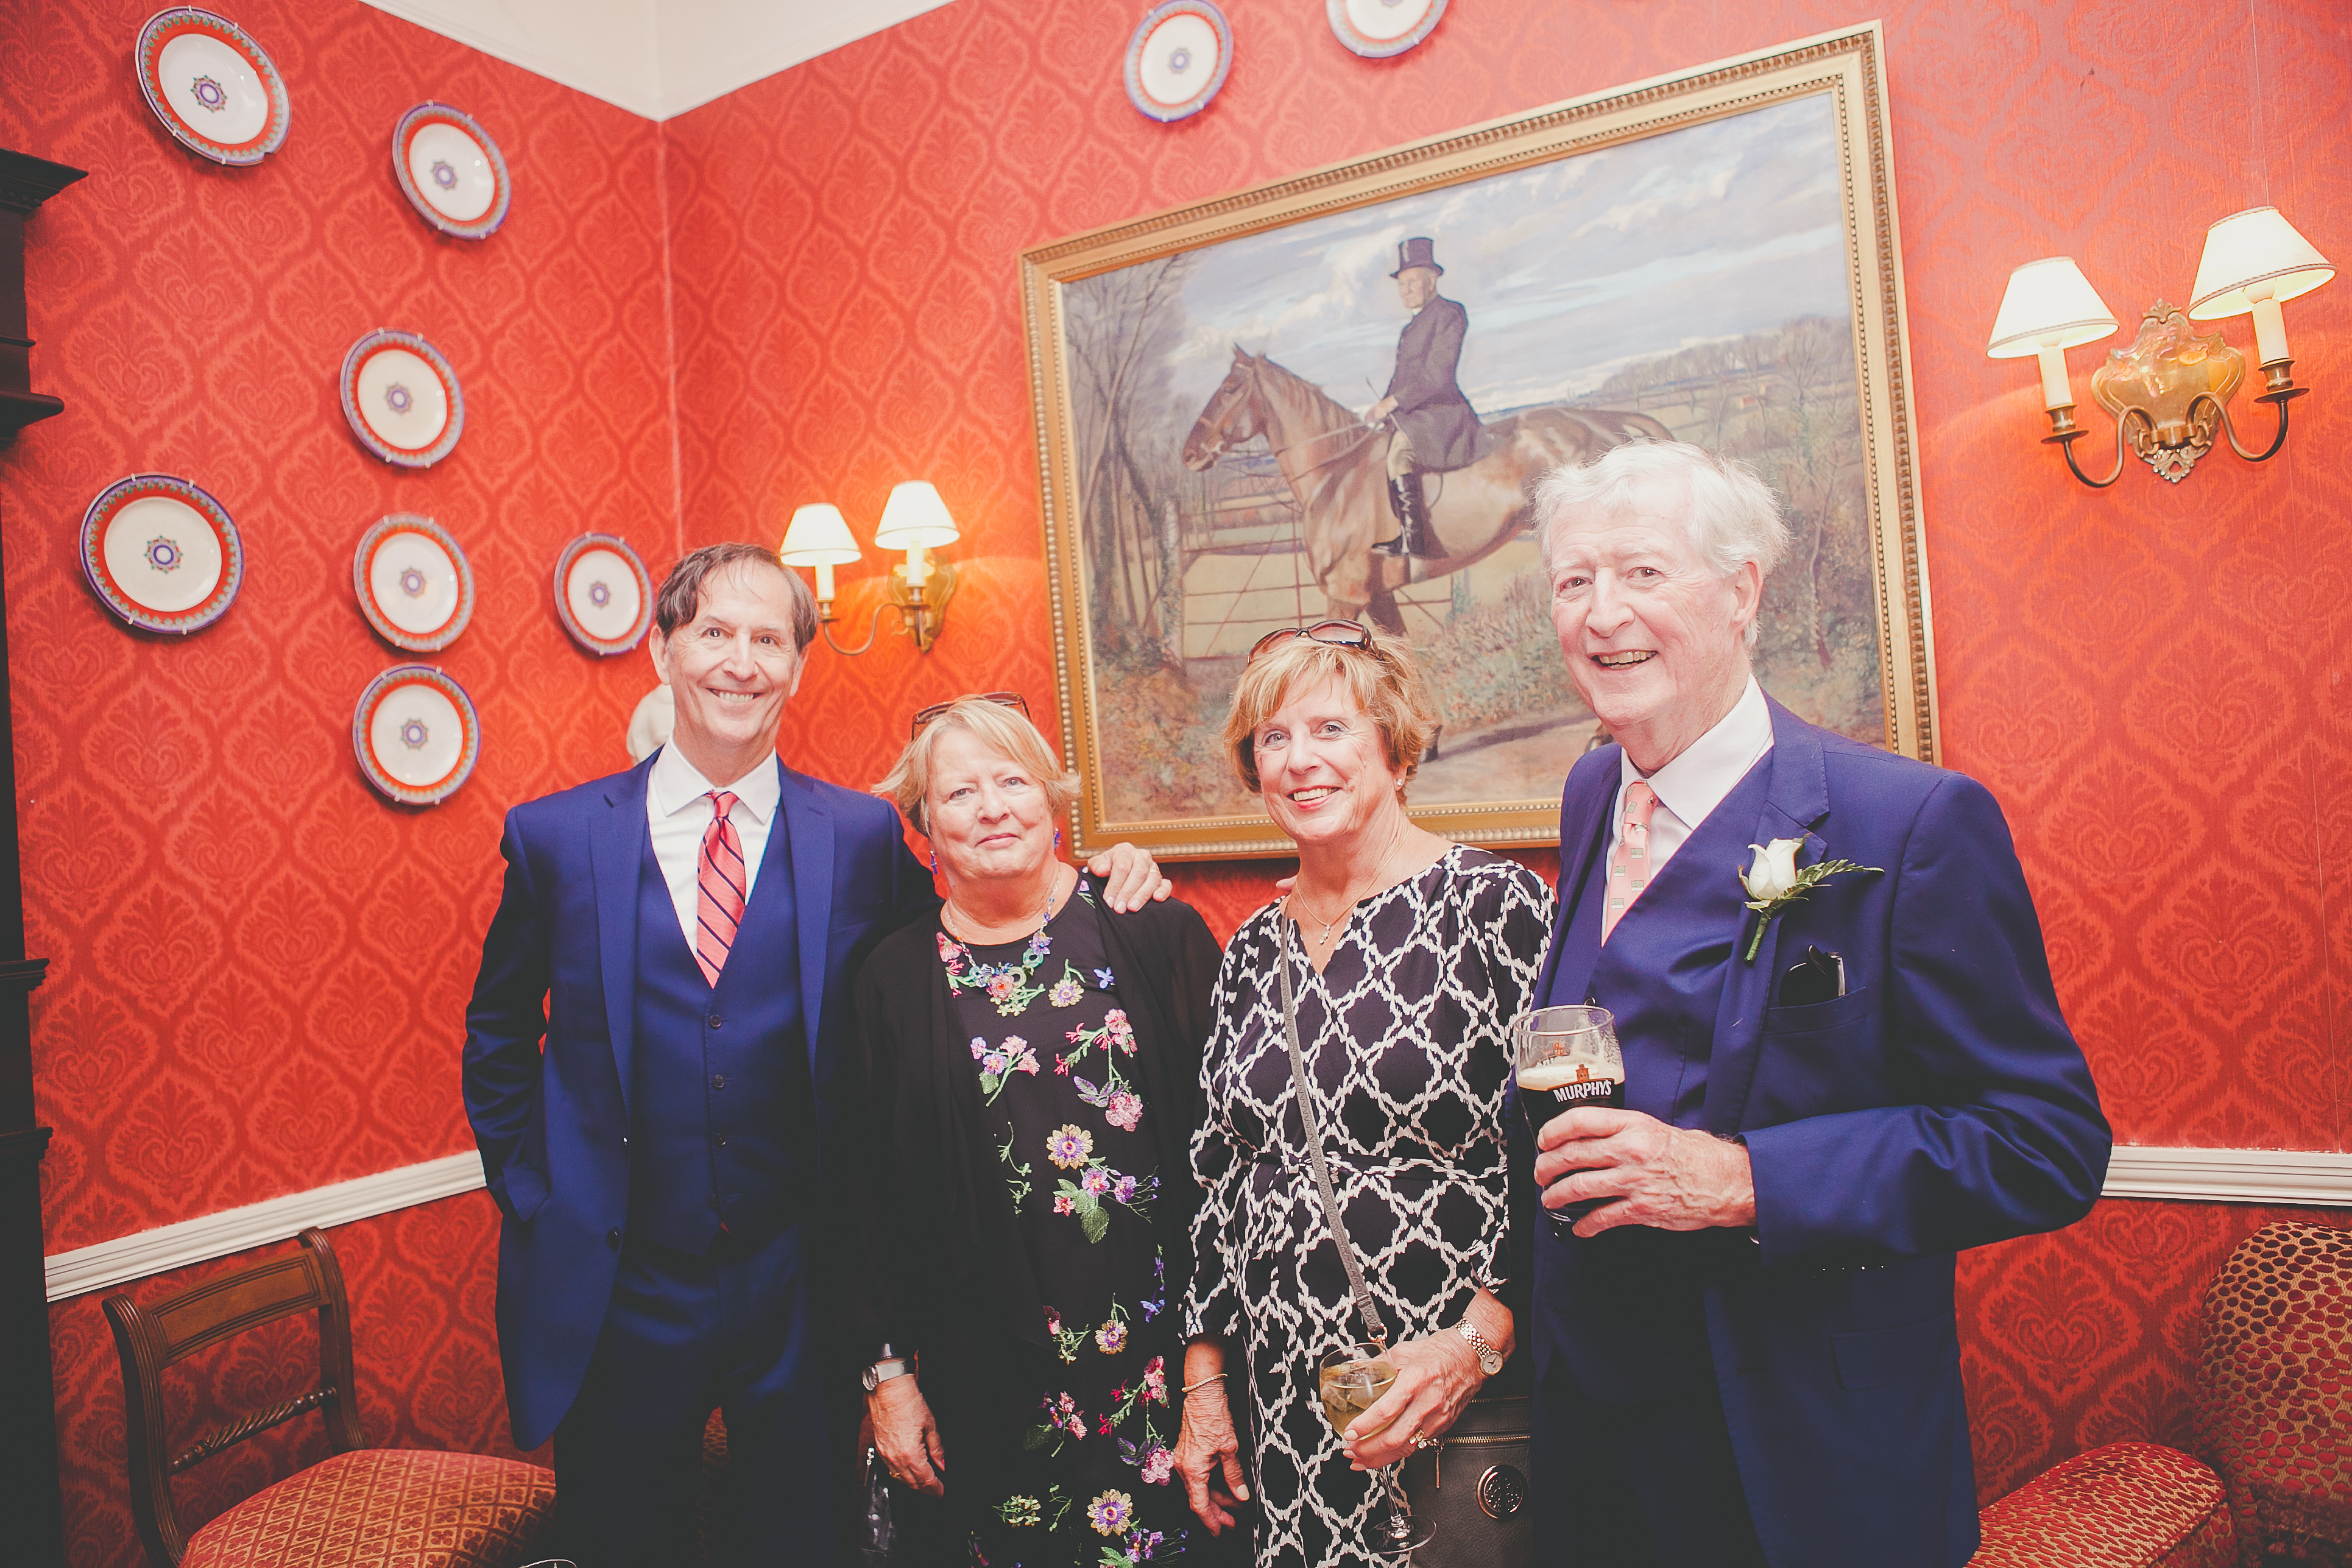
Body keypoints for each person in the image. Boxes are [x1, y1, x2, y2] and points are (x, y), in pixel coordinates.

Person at [460, 546, 1170, 1566]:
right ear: (663, 650)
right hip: (620, 1280)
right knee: (624, 1541)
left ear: (797, 666)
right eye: (715, 632)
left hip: (799, 1280)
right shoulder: (556, 836)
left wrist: (1100, 875)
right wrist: (532, 1188)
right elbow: (495, 1031)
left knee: (805, 1541)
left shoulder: (860, 834)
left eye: (769, 639)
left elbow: (972, 929)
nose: (741, 662)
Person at [1515, 440, 2111, 1567]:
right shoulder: (1593, 788)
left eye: (1642, 572)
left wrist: (1745, 1178)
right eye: (1572, 580)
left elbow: (2045, 1143)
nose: (1601, 614)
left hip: (1795, 1452)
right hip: (1595, 1433)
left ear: (1741, 591)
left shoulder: (1908, 821)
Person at [1173, 624, 1554, 1567]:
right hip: (1289, 1404)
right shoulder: (1251, 948)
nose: (1299, 759)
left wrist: (1475, 1343)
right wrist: (1205, 1383)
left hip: (1459, 1383)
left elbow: (1569, 1145)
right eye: (1273, 738)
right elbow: (1218, 1175)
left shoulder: (1494, 905)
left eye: (1330, 729)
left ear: (1395, 750)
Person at [847, 694, 1221, 1568]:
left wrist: (1215, 1367)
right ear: (924, 827)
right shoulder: (889, 979)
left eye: (1013, 781)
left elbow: (1231, 1157)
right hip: (989, 1378)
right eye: (960, 792)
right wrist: (888, 1375)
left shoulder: (1154, 930)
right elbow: (865, 1199)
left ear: (1053, 799)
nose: (992, 807)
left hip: (1167, 1364)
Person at [1363, 236, 1480, 560]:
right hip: (1413, 413)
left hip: (1442, 413)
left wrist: (1393, 403)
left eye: (1412, 282)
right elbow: (1402, 378)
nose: (1406, 290)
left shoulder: (1450, 313)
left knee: (1398, 457)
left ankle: (1414, 540)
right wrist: (1382, 408)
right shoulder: (1409, 330)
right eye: (1402, 284)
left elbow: (1438, 375)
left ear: (1432, 281)